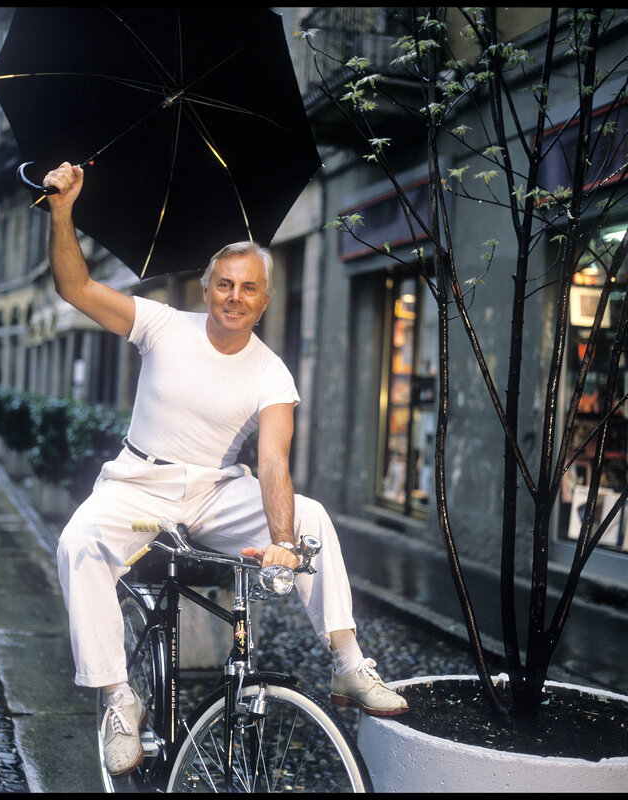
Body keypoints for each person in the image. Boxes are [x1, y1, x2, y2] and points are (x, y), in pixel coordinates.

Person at [43, 162, 409, 777]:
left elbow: (272, 463)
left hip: (214, 492)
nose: (234, 298)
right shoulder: (161, 324)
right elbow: (75, 289)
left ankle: (348, 662)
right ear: (206, 287)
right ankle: (117, 699)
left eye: (248, 288)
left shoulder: (273, 373)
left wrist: (285, 544)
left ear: (265, 299)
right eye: (224, 285)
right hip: (138, 484)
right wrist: (62, 212)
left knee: (312, 517)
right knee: (78, 542)